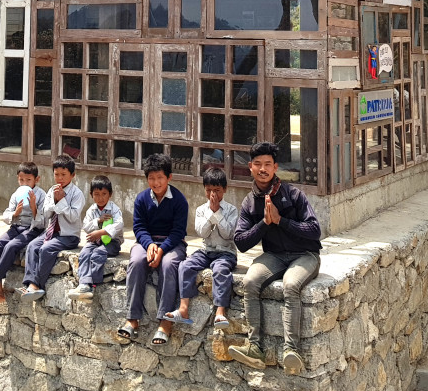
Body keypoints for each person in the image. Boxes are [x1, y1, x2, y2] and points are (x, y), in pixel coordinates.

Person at [229, 141, 322, 374]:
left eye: (267, 164)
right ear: (250, 167)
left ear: (275, 167)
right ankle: (254, 347)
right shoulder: (249, 202)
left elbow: (314, 230)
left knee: (291, 285)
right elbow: (241, 242)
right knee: (250, 281)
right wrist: (264, 223)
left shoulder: (293, 194)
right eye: (258, 164)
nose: (263, 169)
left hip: (305, 255)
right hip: (274, 256)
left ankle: (291, 350)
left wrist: (281, 221)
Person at [116, 153, 189, 346]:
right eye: (151, 178)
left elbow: (178, 231)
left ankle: (165, 321)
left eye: (160, 178)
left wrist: (162, 249)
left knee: (168, 265)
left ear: (169, 177)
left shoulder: (179, 200)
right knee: (137, 261)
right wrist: (149, 245)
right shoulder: (141, 199)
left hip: (172, 243)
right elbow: (139, 228)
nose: (156, 183)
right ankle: (132, 318)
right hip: (147, 242)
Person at [163, 166, 238, 330]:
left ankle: (220, 311)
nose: (213, 194)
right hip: (206, 250)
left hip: (225, 252)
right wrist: (211, 212)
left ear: (224, 190)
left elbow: (228, 234)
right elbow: (202, 232)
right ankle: (183, 308)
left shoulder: (232, 210)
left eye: (217, 190)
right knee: (185, 265)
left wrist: (217, 213)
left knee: (220, 270)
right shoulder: (200, 210)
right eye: (209, 190)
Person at [0, 161, 46, 303]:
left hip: (32, 229)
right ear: (17, 179)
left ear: (36, 180)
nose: (25, 183)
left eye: (28, 180)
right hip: (16, 227)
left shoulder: (41, 195)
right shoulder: (16, 194)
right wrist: (15, 213)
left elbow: (43, 221)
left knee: (11, 246)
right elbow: (6, 214)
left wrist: (33, 207)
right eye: (21, 180)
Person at [19, 155, 85, 300]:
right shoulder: (51, 191)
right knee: (31, 246)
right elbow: (47, 214)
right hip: (50, 232)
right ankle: (28, 283)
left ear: (72, 175)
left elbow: (73, 217)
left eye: (63, 175)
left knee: (45, 249)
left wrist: (61, 200)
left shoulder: (77, 194)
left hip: (68, 235)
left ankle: (37, 285)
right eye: (56, 174)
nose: (60, 178)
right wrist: (55, 199)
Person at [68, 175, 124, 301]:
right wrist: (98, 220)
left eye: (104, 194)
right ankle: (84, 284)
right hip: (95, 241)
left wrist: (101, 232)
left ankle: (93, 284)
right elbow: (86, 226)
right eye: (97, 194)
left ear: (110, 194)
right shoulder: (91, 210)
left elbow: (119, 225)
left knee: (97, 254)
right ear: (91, 194)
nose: (100, 198)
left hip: (112, 242)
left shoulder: (114, 209)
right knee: (84, 253)